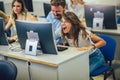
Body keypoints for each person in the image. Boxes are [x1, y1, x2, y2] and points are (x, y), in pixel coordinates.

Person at [61, 12, 106, 80]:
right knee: (70, 73)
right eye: (62, 21)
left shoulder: (83, 33)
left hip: (95, 57)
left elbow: (103, 42)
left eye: (66, 21)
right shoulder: (65, 34)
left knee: (82, 73)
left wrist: (91, 46)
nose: (62, 24)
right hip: (81, 59)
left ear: (73, 23)